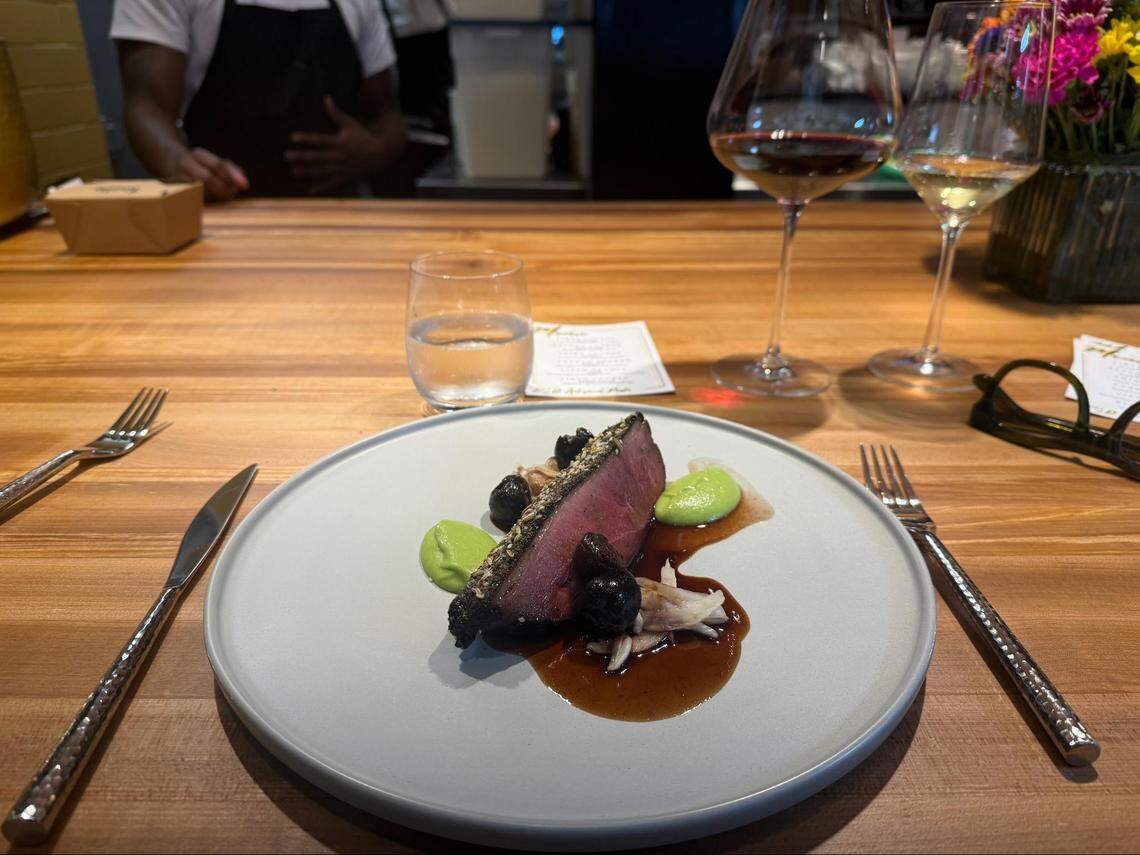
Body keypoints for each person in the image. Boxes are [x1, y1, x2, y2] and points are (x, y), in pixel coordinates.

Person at [112, 0, 408, 200]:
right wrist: (177, 162)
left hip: (339, 220)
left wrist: (374, 149)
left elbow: (390, 117)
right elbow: (146, 107)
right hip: (220, 220)